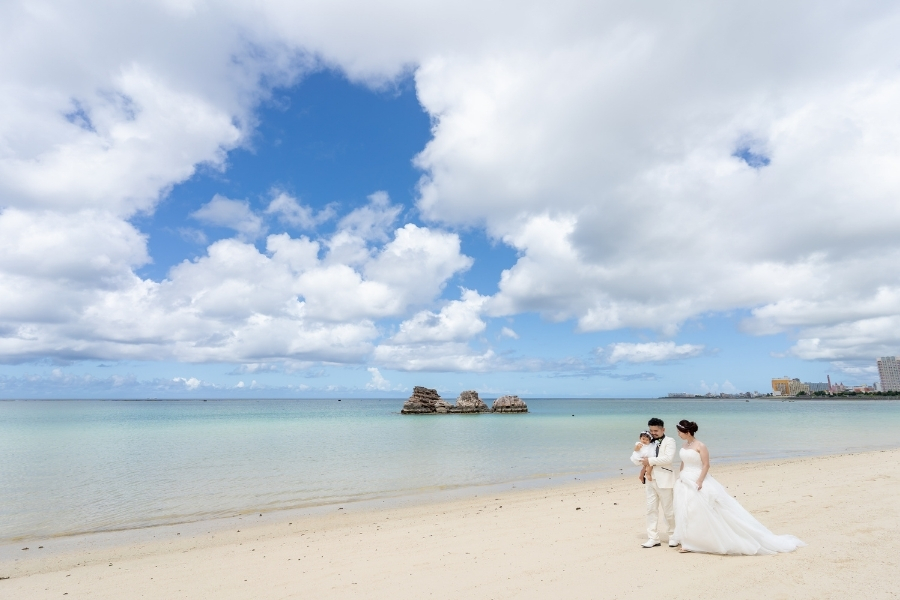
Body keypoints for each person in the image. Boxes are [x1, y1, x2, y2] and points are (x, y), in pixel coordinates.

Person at [671, 419, 806, 555]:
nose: (678, 434)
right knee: (686, 510)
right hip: (684, 479)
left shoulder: (701, 446)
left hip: (697, 479)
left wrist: (699, 481)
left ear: (687, 432)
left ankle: (700, 542)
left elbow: (706, 465)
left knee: (701, 509)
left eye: (679, 432)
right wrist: (680, 475)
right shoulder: (684, 445)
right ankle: (689, 541)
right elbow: (683, 462)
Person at [630, 418, 676, 548]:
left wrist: (649, 460)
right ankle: (653, 537)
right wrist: (637, 452)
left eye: (656, 430)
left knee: (668, 510)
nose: (653, 433)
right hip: (650, 480)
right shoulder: (646, 442)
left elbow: (668, 458)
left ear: (663, 429)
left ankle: (673, 535)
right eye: (651, 430)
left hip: (665, 478)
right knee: (651, 509)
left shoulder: (670, 441)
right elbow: (637, 461)